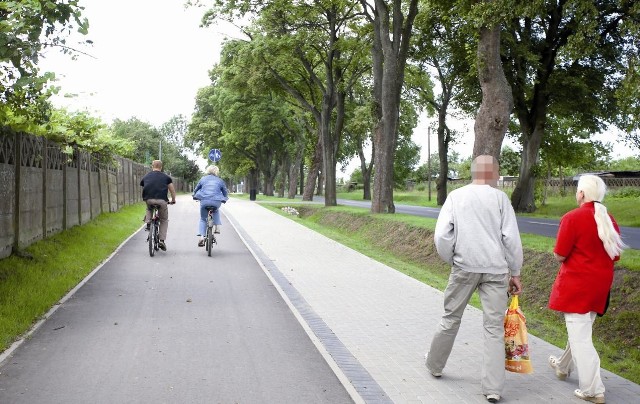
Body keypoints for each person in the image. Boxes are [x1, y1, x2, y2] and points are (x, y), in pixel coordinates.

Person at [425, 155, 523, 403]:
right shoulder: (500, 199)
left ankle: (435, 365)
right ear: (491, 173)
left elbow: (442, 237)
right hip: (495, 269)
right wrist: (516, 271)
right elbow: (510, 238)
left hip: (464, 266)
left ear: (473, 172)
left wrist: (453, 259)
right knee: (493, 328)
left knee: (450, 317)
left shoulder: (456, 197)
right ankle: (493, 389)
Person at [547, 174, 626, 404]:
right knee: (580, 332)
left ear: (581, 194)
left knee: (581, 339)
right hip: (600, 287)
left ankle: (593, 390)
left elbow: (560, 254)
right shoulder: (608, 218)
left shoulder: (572, 217)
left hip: (576, 287)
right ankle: (562, 366)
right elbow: (616, 255)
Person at [140, 160, 176, 251]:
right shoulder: (166, 177)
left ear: (152, 166)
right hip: (162, 201)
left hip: (149, 200)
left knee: (149, 208)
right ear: (161, 167)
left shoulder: (146, 176)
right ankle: (162, 240)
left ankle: (148, 223)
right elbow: (172, 190)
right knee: (164, 220)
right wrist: (173, 200)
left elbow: (143, 185)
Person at [192, 165, 229, 247]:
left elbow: (196, 189)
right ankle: (217, 227)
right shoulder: (220, 181)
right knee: (216, 210)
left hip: (204, 201)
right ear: (217, 171)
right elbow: (225, 192)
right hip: (216, 201)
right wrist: (225, 198)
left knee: (202, 219)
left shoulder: (203, 179)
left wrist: (194, 195)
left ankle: (202, 237)